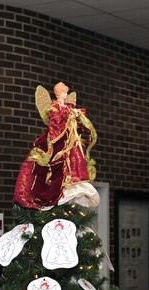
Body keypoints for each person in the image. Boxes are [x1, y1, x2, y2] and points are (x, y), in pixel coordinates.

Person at [13, 81, 98, 209]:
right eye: (63, 92)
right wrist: (69, 114)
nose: (65, 94)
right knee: (57, 164)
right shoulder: (55, 108)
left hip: (71, 142)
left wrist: (76, 115)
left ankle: (73, 182)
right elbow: (56, 124)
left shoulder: (69, 107)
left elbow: (79, 123)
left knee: (75, 161)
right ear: (58, 93)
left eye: (66, 92)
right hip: (60, 143)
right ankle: (55, 190)